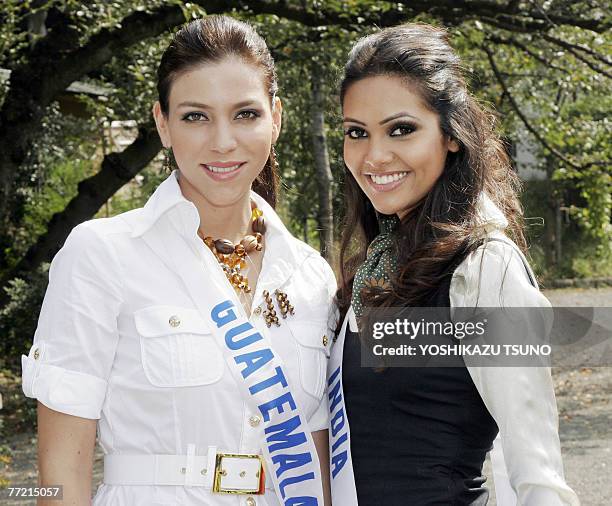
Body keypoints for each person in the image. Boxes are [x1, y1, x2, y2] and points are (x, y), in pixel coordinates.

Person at [21, 16, 334, 506]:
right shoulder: (102, 254)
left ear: (276, 118)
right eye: (195, 116)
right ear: (162, 123)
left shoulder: (311, 275)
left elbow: (318, 467)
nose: (223, 141)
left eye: (245, 114)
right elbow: (60, 473)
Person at [327, 23, 580, 505]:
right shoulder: (374, 264)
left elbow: (537, 470)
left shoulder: (486, 268)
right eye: (356, 133)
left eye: (401, 129)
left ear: (451, 135)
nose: (374, 156)